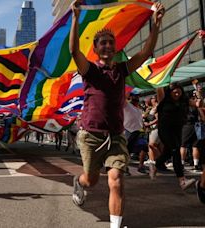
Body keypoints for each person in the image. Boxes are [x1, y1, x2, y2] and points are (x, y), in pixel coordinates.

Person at [69, 1, 164, 227]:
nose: (108, 46)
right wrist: (75, 17)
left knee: (116, 181)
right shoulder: (89, 70)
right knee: (91, 180)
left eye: (111, 42)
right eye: (103, 42)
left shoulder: (121, 69)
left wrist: (156, 24)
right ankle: (79, 183)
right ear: (96, 47)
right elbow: (74, 50)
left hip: (116, 137)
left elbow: (146, 52)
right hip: (91, 136)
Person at [155, 83, 197, 190]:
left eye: (179, 91)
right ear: (170, 92)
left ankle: (156, 164)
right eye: (174, 91)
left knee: (168, 152)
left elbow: (197, 104)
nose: (177, 93)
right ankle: (182, 181)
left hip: (177, 130)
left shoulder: (184, 101)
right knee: (175, 151)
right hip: (165, 129)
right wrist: (163, 77)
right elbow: (158, 86)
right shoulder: (164, 99)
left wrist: (199, 93)